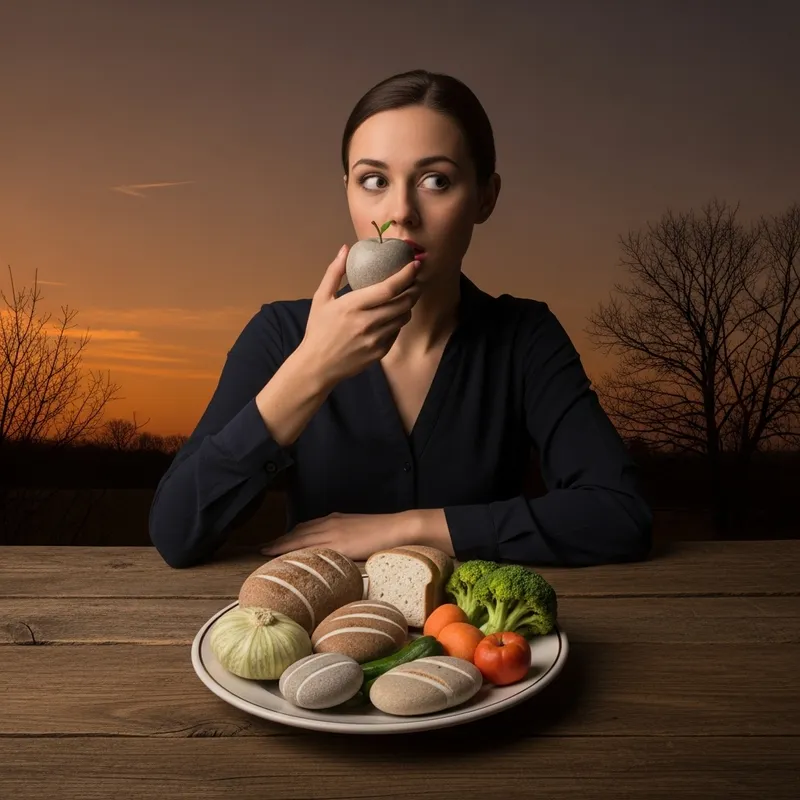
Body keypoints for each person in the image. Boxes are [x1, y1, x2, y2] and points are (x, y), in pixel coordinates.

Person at [148, 68, 653, 570]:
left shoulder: (524, 338)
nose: (400, 212)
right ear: (347, 189)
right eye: (374, 180)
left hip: (473, 640)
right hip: (315, 639)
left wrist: (408, 528)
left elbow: (619, 514)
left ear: (485, 197)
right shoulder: (280, 334)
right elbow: (176, 532)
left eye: (436, 180)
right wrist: (311, 369)